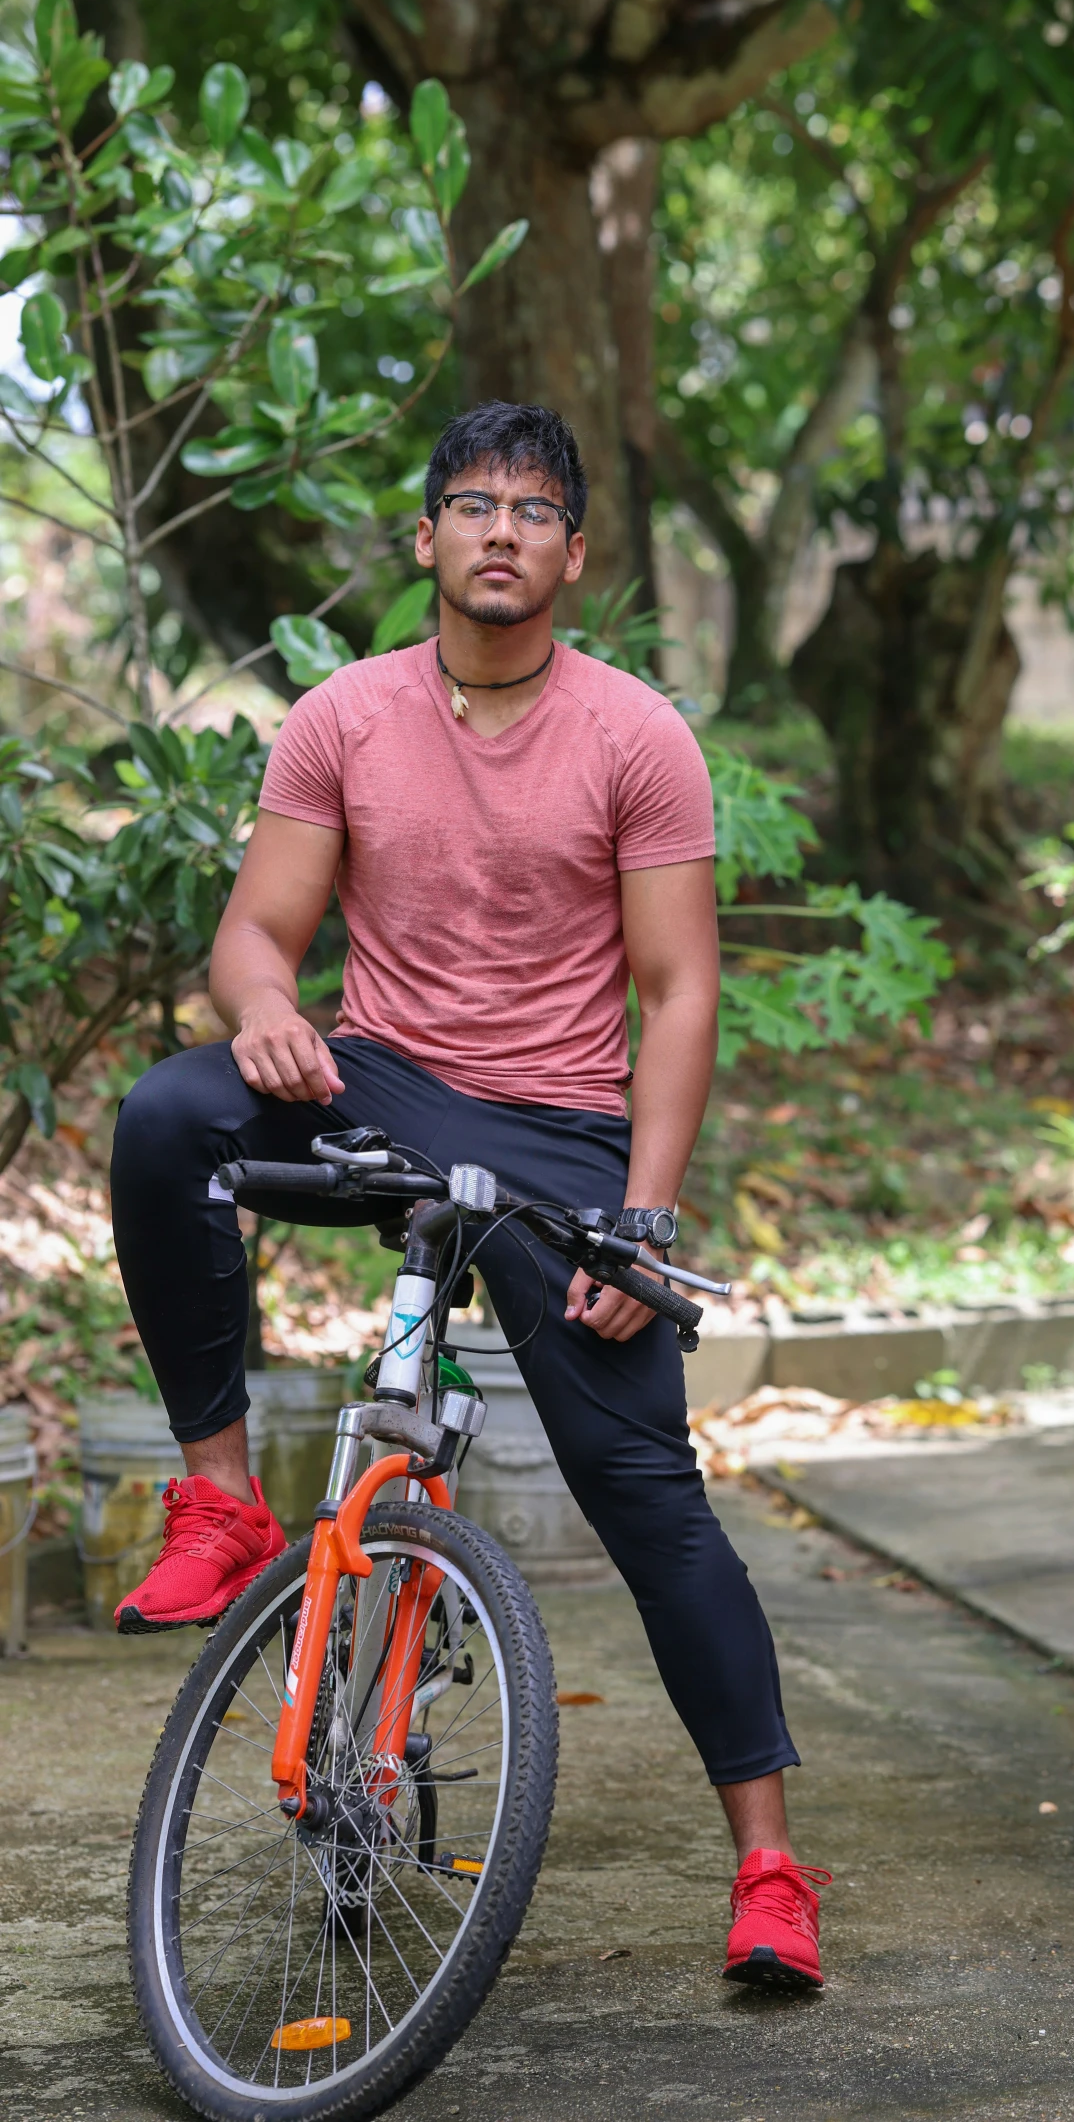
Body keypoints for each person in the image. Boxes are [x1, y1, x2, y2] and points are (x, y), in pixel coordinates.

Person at [108, 400, 828, 1990]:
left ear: (574, 551)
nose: (498, 527)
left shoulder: (635, 733)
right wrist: (263, 1010)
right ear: (425, 538)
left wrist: (641, 1220)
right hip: (375, 1079)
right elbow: (253, 934)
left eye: (530, 507)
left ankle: (770, 1864)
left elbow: (678, 985)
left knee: (647, 1493)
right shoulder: (347, 715)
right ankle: (222, 1494)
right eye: (468, 503)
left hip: (560, 1126)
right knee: (167, 1119)